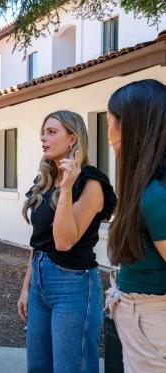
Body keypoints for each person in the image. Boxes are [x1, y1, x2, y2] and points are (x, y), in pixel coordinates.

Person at [17, 110, 117, 373]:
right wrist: (26, 287)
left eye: (51, 132)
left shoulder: (90, 182)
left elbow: (63, 242)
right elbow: (38, 242)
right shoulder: (46, 179)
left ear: (73, 138)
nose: (43, 138)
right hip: (40, 280)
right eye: (43, 132)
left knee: (71, 367)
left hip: (73, 284)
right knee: (38, 366)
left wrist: (67, 188)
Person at [106, 79, 166, 372]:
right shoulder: (147, 189)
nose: (109, 136)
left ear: (132, 127)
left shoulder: (154, 197)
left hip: (151, 324)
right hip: (140, 320)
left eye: (110, 124)